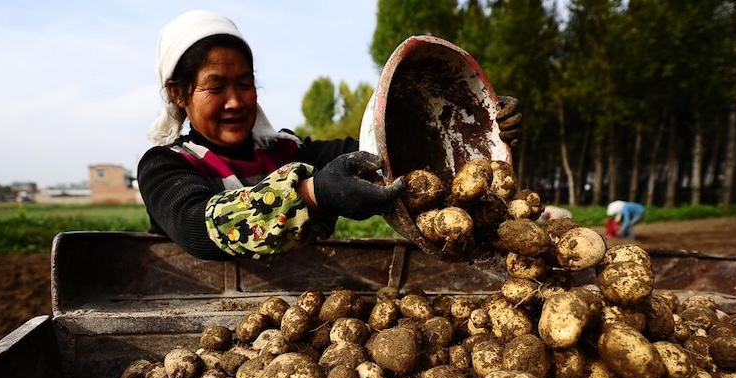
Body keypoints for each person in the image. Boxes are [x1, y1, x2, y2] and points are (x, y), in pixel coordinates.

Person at [137, 10, 521, 261]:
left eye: (245, 83)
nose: (235, 101)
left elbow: (381, 154)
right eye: (215, 87)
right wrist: (312, 194)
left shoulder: (288, 150)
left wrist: (479, 123)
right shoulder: (165, 166)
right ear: (178, 92)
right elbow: (197, 225)